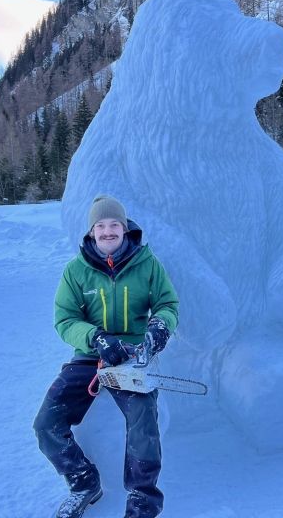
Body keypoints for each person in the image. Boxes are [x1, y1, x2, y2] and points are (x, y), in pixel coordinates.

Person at [34, 195, 179, 518]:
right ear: (91, 232)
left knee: (143, 419)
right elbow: (65, 320)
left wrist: (159, 327)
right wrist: (95, 337)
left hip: (132, 357)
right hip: (89, 357)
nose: (108, 231)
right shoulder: (76, 271)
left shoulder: (148, 264)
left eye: (115, 224)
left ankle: (143, 499)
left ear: (125, 229)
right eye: (101, 225)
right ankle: (83, 482)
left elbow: (168, 305)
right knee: (46, 423)